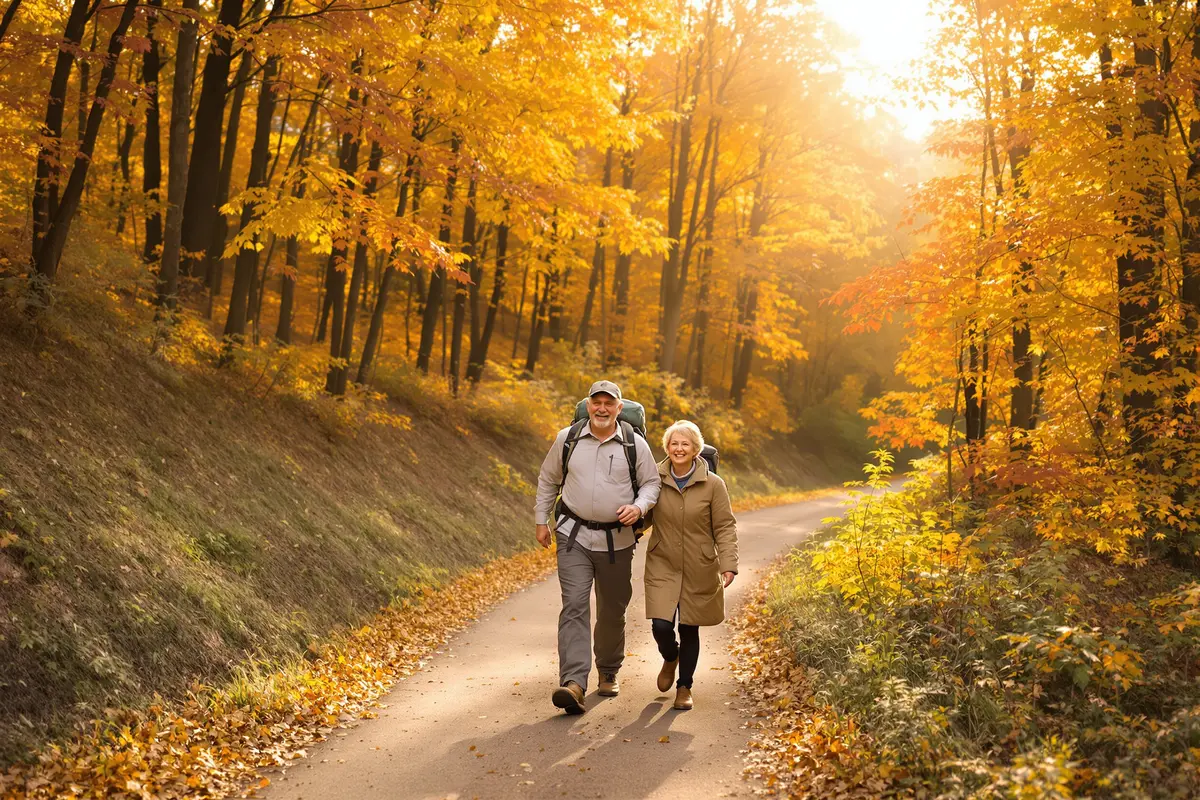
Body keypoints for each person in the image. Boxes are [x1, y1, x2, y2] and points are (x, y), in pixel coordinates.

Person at [534, 380, 662, 714]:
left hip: (617, 542)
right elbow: (549, 478)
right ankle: (573, 683)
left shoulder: (634, 444)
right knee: (574, 604)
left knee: (612, 608)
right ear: (588, 405)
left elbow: (651, 483)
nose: (602, 408)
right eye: (596, 402)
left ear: (620, 408)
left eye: (609, 403)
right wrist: (540, 519)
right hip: (572, 536)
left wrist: (639, 507)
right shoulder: (568, 438)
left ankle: (608, 669)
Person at [643, 420, 738, 711]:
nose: (679, 448)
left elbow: (724, 526)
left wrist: (729, 564)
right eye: (674, 443)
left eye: (685, 443)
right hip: (663, 562)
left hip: (700, 564)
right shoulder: (653, 479)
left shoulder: (713, 484)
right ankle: (671, 656)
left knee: (689, 627)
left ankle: (684, 687)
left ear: (696, 449)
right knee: (661, 625)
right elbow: (643, 512)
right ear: (667, 448)